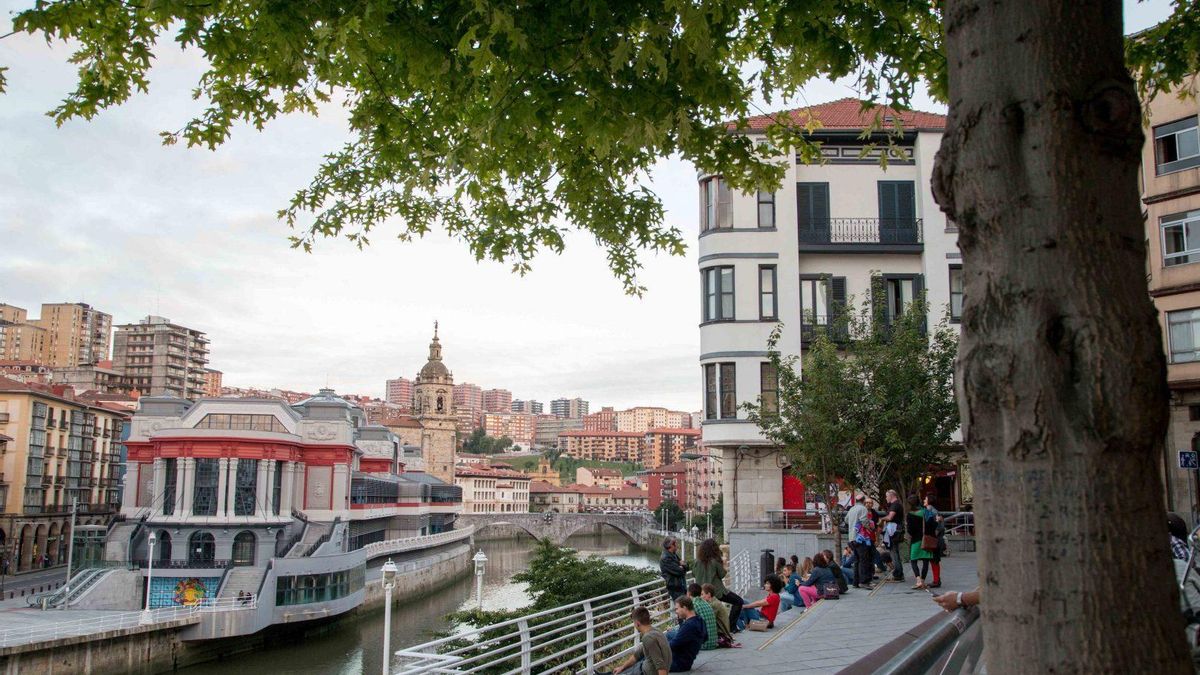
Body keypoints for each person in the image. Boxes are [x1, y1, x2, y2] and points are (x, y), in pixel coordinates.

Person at [691, 538, 744, 633]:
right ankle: (731, 626)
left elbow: (694, 574)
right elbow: (722, 574)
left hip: (702, 593)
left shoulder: (697, 561)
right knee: (738, 601)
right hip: (717, 591)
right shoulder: (715, 561)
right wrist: (724, 564)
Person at [609, 606, 670, 675]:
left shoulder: (649, 638)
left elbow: (661, 667)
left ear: (637, 623)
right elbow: (637, 655)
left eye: (634, 623)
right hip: (644, 667)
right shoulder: (656, 631)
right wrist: (622, 667)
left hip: (645, 672)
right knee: (622, 670)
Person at [667, 596, 706, 672]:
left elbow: (672, 645)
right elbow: (705, 638)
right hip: (687, 659)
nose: (676, 611)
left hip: (679, 663)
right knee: (669, 634)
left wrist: (657, 648)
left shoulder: (689, 625)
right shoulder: (699, 619)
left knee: (645, 663)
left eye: (677, 609)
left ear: (684, 608)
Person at [906, 494, 936, 589]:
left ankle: (918, 580)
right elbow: (933, 525)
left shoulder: (910, 514)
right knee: (925, 561)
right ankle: (922, 581)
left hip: (915, 540)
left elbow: (910, 530)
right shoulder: (926, 512)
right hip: (926, 539)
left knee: (913, 560)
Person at [845, 495, 874, 589]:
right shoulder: (863, 509)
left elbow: (846, 520)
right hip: (860, 538)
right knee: (864, 560)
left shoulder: (852, 509)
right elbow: (864, 521)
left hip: (851, 538)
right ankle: (864, 582)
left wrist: (853, 523)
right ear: (863, 500)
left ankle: (855, 582)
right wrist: (870, 528)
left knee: (857, 560)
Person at [879, 489, 905, 581]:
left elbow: (890, 517)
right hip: (895, 530)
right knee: (894, 552)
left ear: (891, 496)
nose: (886, 498)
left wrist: (882, 519)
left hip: (894, 531)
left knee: (894, 552)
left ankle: (898, 574)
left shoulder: (895, 505)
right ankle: (898, 573)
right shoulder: (896, 504)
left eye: (887, 496)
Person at [685, 583, 718, 650]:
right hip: (713, 642)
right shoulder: (706, 603)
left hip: (703, 644)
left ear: (688, 593)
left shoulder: (692, 605)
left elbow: (687, 627)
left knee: (670, 634)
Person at [924, 495, 944, 588]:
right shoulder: (933, 511)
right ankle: (936, 579)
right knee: (934, 560)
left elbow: (939, 527)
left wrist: (933, 535)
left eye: (926, 499)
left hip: (934, 539)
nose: (924, 500)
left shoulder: (931, 511)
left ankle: (936, 580)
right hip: (935, 538)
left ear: (929, 501)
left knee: (934, 560)